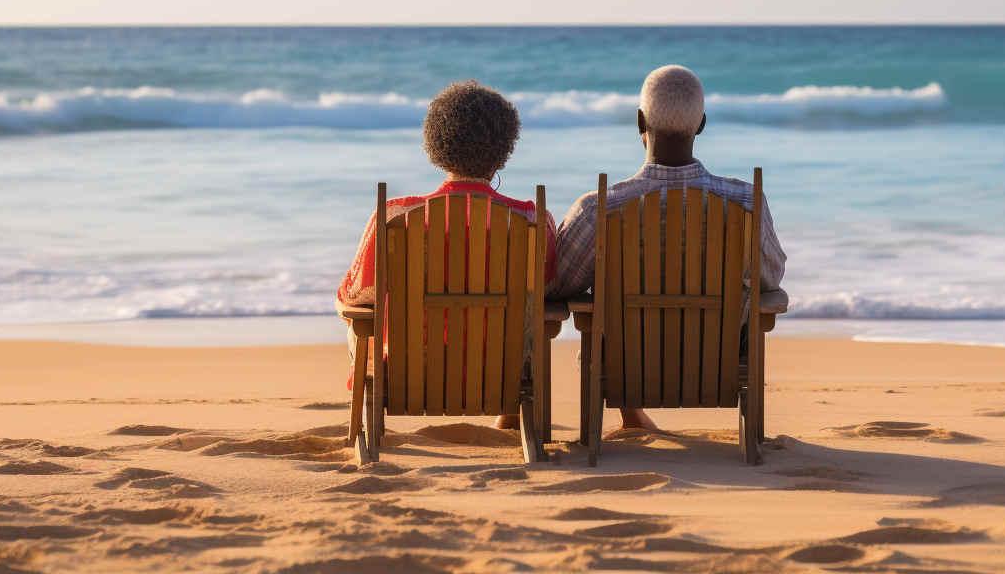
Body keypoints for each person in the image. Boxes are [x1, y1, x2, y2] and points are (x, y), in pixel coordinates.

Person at [548, 64, 787, 431]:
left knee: (600, 318)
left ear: (640, 123)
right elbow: (769, 278)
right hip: (716, 360)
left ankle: (628, 415)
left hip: (626, 364)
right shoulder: (745, 201)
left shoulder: (598, 207)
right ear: (702, 124)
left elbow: (559, 284)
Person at [336, 80, 556, 429]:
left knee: (357, 316)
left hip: (410, 371)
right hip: (501, 370)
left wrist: (345, 303)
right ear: (505, 149)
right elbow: (547, 289)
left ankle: (370, 424)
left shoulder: (393, 218)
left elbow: (357, 294)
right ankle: (511, 415)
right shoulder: (533, 220)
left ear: (436, 145)